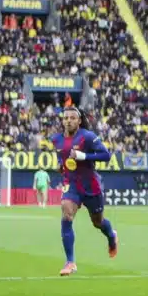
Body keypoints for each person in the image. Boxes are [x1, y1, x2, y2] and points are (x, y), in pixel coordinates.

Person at [52, 107, 118, 276]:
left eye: (72, 118)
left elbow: (106, 155)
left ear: (79, 121)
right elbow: (62, 159)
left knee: (98, 222)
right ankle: (70, 262)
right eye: (66, 118)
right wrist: (61, 166)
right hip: (71, 184)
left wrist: (83, 156)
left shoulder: (87, 136)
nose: (68, 120)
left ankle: (111, 236)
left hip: (91, 186)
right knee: (66, 214)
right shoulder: (56, 140)